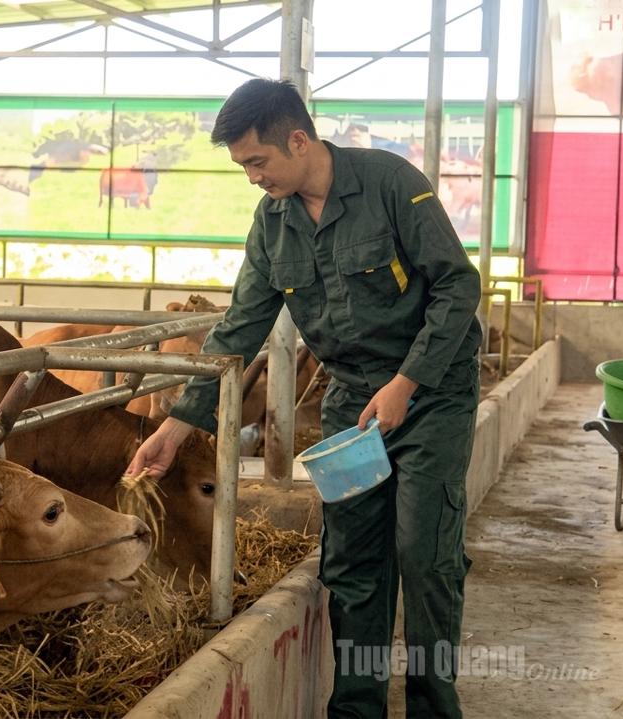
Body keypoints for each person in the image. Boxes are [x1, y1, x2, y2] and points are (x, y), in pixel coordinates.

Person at [127, 78, 482, 718]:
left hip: (430, 396)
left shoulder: (392, 184)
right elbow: (239, 327)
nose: (251, 178)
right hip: (353, 405)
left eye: (256, 162)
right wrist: (178, 427)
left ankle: (432, 707)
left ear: (298, 139)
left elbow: (458, 286)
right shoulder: (272, 223)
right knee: (353, 562)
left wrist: (408, 382)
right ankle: (355, 710)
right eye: (242, 166)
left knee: (423, 553)